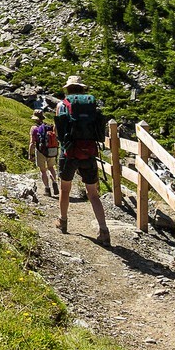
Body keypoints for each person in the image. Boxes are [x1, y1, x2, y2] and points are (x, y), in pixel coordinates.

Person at [55, 75, 110, 244]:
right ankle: (104, 230)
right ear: (82, 89)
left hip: (69, 153)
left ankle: (63, 221)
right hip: (89, 152)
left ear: (68, 89)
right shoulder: (91, 106)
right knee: (93, 194)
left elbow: (58, 133)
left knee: (65, 189)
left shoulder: (61, 105)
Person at [28, 109, 59, 198]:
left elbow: (32, 143)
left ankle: (47, 189)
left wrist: (30, 154)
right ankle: (54, 182)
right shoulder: (48, 127)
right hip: (51, 150)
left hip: (40, 150)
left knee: (43, 170)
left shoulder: (34, 128)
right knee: (51, 168)